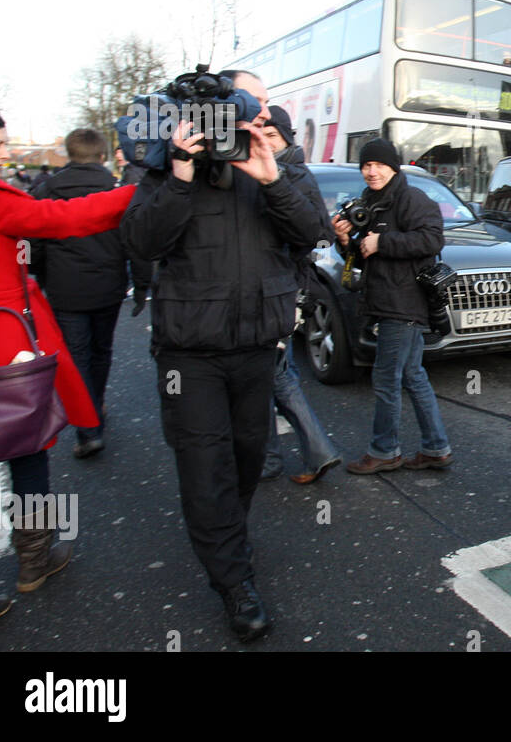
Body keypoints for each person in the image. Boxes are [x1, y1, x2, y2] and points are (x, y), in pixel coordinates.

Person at [121, 71, 326, 643]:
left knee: (245, 456)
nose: (231, 128)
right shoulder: (165, 170)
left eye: (248, 112)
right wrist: (181, 176)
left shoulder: (274, 165)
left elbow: (311, 232)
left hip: (256, 346)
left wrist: (273, 178)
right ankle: (234, 582)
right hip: (190, 353)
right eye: (221, 118)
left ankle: (227, 539)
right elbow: (140, 243)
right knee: (205, 466)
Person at [0, 108, 137, 639]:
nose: (5, 153)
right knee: (30, 448)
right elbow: (67, 220)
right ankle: (34, 561)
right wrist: (139, 191)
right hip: (4, 346)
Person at [335, 139, 453, 474]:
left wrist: (383, 241)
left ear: (393, 167)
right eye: (366, 165)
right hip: (385, 299)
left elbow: (432, 239)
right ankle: (436, 448)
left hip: (404, 304)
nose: (371, 171)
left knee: (386, 378)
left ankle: (385, 451)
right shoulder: (370, 202)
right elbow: (362, 256)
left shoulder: (411, 198)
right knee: (412, 375)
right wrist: (346, 240)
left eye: (379, 165)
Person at [31, 128, 150, 458]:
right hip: (108, 285)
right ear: (102, 156)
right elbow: (136, 242)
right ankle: (96, 406)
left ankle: (88, 428)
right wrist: (141, 285)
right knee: (101, 351)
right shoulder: (119, 191)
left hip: (65, 288)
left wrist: (38, 275)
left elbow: (32, 242)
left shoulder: (45, 191)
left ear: (70, 155)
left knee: (77, 356)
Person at [256, 107, 343, 484]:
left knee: (274, 378)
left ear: (287, 139)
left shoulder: (291, 175)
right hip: (278, 291)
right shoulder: (277, 171)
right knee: (278, 374)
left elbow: (316, 235)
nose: (264, 142)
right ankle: (276, 457)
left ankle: (296, 455)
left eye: (272, 136)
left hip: (281, 292)